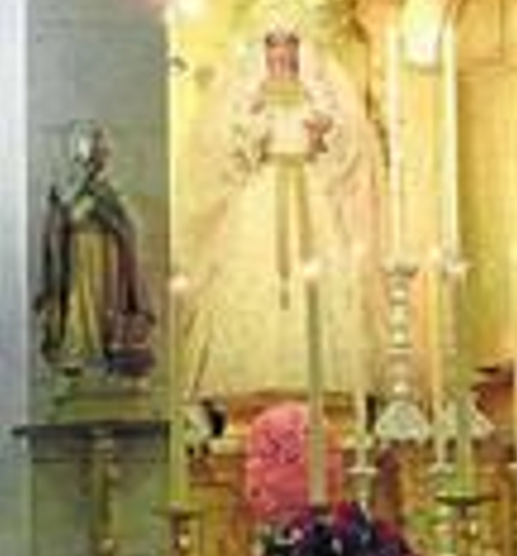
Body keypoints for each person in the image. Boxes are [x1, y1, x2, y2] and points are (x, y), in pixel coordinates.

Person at [182, 27, 378, 400]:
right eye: (273, 43)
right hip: (265, 186)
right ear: (263, 49)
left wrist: (323, 133)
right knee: (257, 271)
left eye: (290, 43)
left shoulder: (316, 90)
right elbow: (234, 147)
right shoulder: (250, 91)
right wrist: (253, 124)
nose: (281, 51)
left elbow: (341, 144)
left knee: (319, 277)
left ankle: (326, 385)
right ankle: (249, 386)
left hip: (309, 186)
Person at [35, 123, 155, 379]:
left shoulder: (110, 188)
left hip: (107, 255)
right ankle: (75, 353)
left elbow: (126, 226)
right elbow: (60, 220)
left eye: (100, 153)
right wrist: (78, 206)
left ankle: (109, 353)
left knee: (107, 303)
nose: (96, 160)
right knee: (78, 303)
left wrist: (105, 213)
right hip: (77, 254)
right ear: (80, 156)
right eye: (92, 153)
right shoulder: (66, 187)